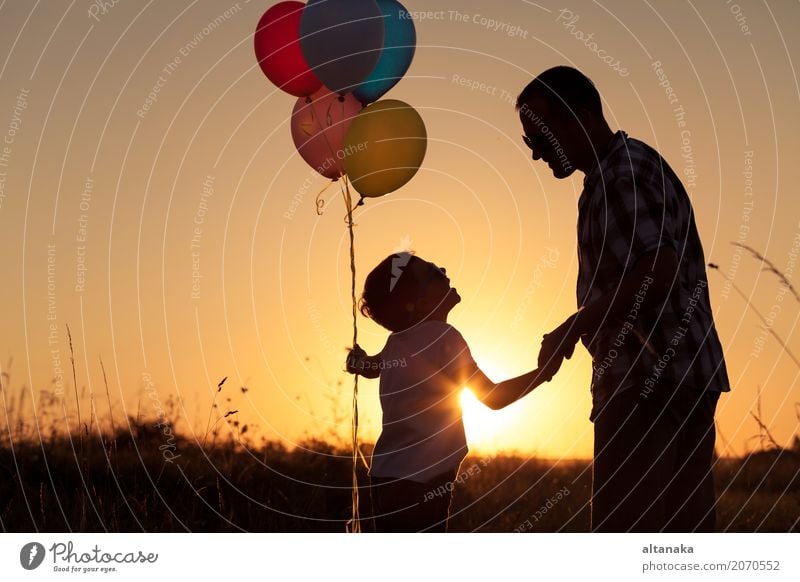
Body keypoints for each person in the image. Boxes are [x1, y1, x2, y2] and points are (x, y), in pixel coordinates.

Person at [515, 66, 730, 532]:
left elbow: (660, 270)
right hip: (683, 376)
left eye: (539, 137)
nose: (534, 154)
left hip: (647, 381)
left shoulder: (622, 173)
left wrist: (574, 326)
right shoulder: (617, 173)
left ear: (579, 115)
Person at [345, 252, 553, 532]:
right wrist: (544, 372)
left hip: (384, 476)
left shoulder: (396, 342)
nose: (442, 268)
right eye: (433, 272)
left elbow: (371, 367)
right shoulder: (444, 337)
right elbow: (493, 397)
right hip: (422, 483)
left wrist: (356, 361)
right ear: (419, 303)